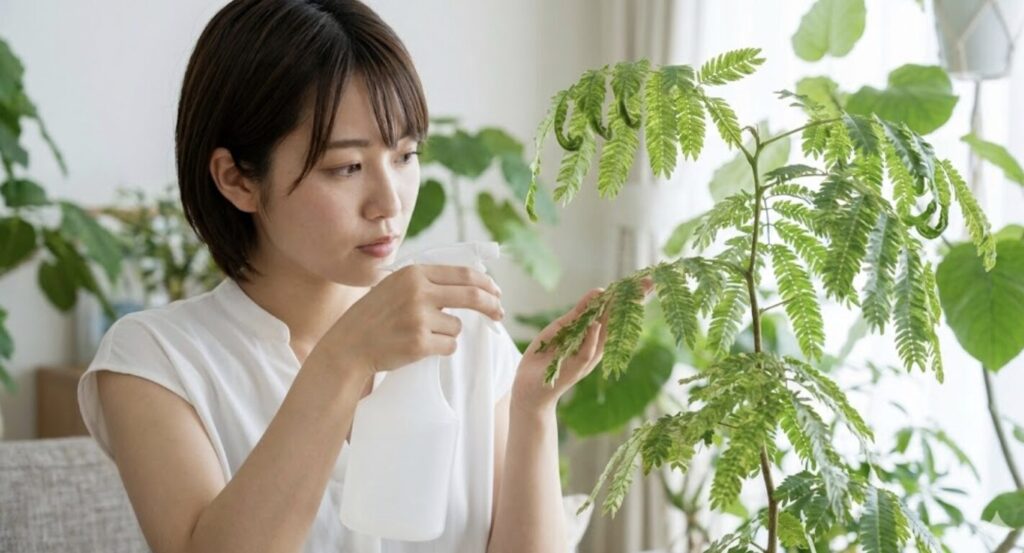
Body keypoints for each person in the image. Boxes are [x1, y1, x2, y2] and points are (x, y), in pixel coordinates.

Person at [77, 1, 639, 551]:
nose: (388, 202)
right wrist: (346, 357)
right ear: (237, 180)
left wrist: (533, 411)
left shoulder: (461, 331)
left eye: (405, 155)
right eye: (346, 167)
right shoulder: (155, 360)